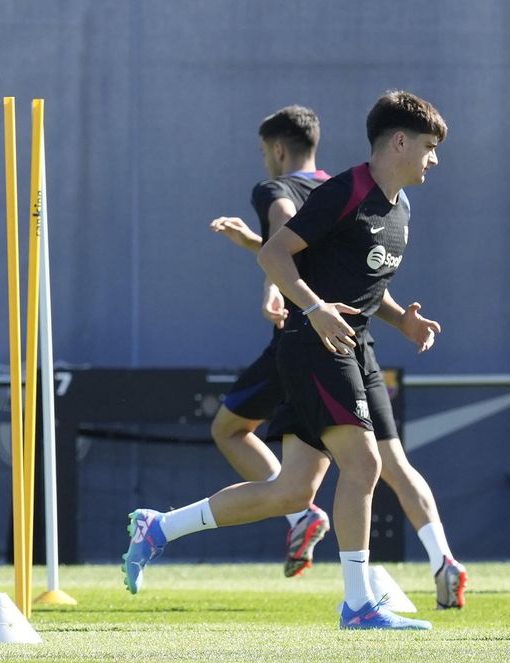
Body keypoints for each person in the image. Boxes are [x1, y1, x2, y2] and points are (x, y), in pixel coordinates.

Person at [125, 91, 462, 630]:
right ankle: (358, 604)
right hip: (315, 344)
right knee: (366, 466)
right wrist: (315, 306)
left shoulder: (400, 206)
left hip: (351, 344)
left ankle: (159, 529)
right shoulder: (344, 190)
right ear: (399, 141)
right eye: (429, 146)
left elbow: (369, 286)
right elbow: (273, 253)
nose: (435, 158)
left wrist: (405, 321)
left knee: (292, 491)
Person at [208, 105, 333, 577]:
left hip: (297, 337)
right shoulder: (339, 190)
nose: (265, 160)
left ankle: (300, 513)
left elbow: (283, 233)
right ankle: (436, 558)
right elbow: (313, 252)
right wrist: (250, 244)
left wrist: (272, 286)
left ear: (278, 149)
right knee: (380, 460)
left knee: (228, 429)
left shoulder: (274, 188)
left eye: (265, 152)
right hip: (344, 340)